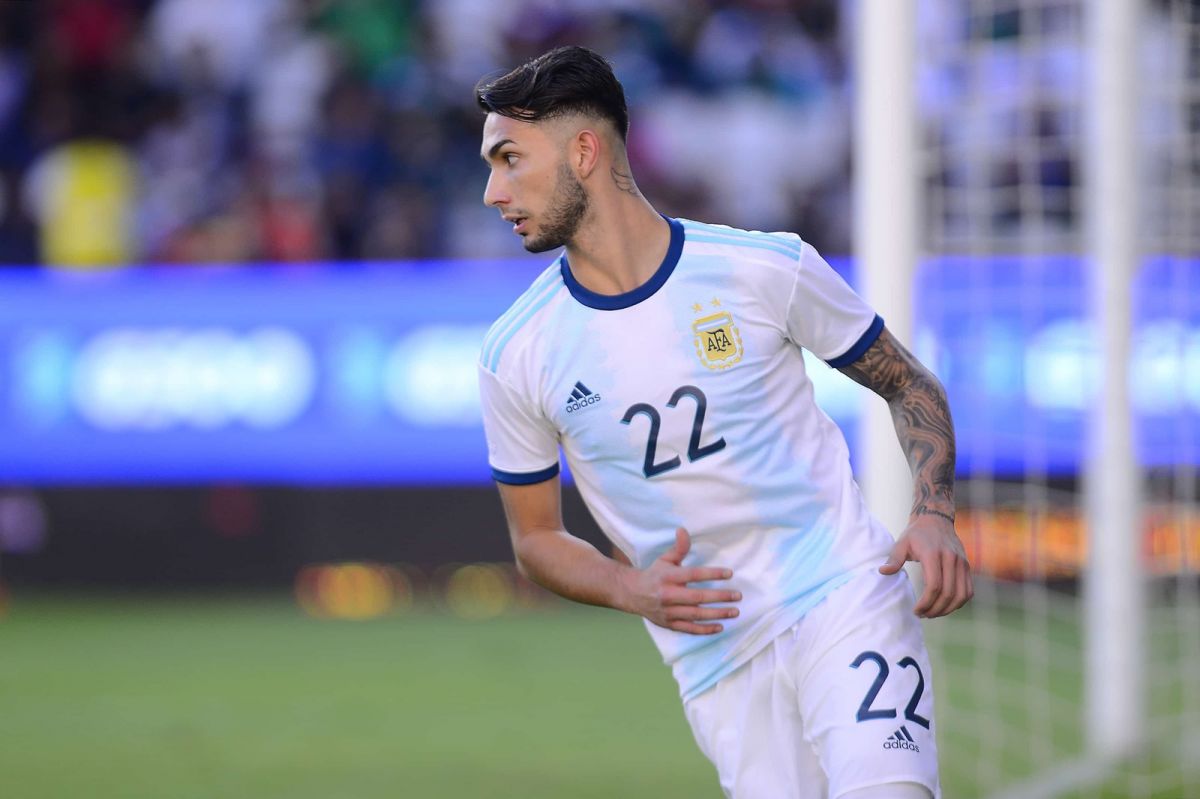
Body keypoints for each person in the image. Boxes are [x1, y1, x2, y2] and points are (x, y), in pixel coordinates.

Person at [474, 45, 971, 799]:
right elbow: (535, 539)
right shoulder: (517, 353)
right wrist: (627, 586)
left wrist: (933, 514)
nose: (491, 190)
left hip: (842, 591)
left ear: (584, 151)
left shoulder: (762, 268)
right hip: (716, 654)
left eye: (509, 158)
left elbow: (909, 384)